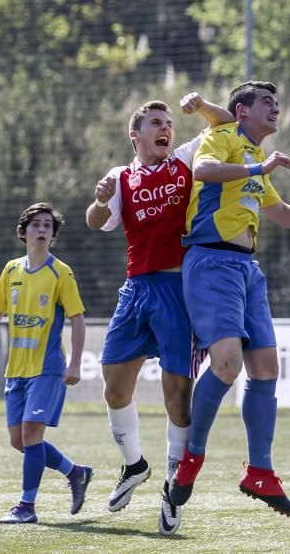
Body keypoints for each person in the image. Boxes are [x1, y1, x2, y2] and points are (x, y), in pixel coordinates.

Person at [169, 81, 290, 517]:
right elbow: (203, 173)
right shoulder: (222, 137)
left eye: (277, 103)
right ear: (241, 112)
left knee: (266, 368)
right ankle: (192, 457)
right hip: (211, 262)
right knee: (227, 364)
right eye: (267, 103)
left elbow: (277, 210)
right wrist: (261, 170)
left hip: (246, 270)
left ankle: (260, 471)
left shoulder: (257, 155)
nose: (276, 109)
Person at [86, 93, 234, 536]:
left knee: (176, 396)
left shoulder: (187, 158)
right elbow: (97, 222)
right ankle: (134, 465)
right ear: (136, 136)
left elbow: (226, 124)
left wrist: (203, 105)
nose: (164, 127)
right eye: (154, 121)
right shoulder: (120, 176)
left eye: (167, 121)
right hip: (136, 289)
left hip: (178, 290)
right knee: (112, 384)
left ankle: (173, 488)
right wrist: (98, 201)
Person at [0, 202, 93, 524]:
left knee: (32, 436)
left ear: (52, 235)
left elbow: (77, 319)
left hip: (46, 368)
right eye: (36, 224)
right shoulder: (11, 270)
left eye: (48, 225)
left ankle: (26, 507)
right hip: (16, 369)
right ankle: (75, 472)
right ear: (23, 232)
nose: (42, 230)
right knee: (19, 441)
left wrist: (74, 363)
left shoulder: (61, 272)